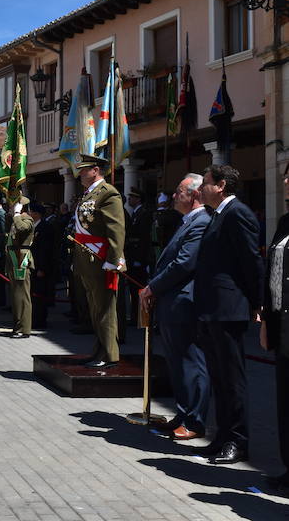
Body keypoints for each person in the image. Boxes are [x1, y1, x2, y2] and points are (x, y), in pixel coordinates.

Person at [192, 164, 263, 464]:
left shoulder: (238, 214)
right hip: (212, 310)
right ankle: (222, 436)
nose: (201, 189)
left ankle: (238, 440)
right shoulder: (218, 215)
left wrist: (259, 305)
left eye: (206, 183)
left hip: (228, 309)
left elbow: (251, 262)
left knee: (232, 379)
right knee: (219, 378)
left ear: (221, 186)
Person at [139, 173, 211, 441]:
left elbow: (184, 263)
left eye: (178, 191)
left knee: (191, 363)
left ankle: (195, 420)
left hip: (185, 301)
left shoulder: (201, 221)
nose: (172, 196)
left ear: (193, 195)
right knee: (177, 363)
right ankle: (183, 413)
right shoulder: (187, 221)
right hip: (172, 301)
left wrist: (152, 287)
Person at [72, 154, 126, 368]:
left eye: (84, 169)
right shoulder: (88, 194)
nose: (80, 174)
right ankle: (100, 348)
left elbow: (116, 229)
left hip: (101, 258)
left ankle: (109, 354)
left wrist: (113, 260)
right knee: (95, 308)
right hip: (87, 259)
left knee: (104, 308)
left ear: (95, 170)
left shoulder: (108, 193)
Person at [261, 161, 289, 491]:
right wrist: (265, 318)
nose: (286, 180)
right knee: (284, 401)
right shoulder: (283, 222)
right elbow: (270, 271)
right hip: (281, 324)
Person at [125, 188, 153, 335]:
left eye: (132, 197)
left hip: (139, 258)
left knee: (140, 289)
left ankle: (143, 319)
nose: (129, 200)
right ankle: (137, 318)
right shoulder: (136, 213)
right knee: (134, 291)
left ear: (138, 199)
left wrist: (139, 259)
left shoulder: (144, 214)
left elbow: (143, 239)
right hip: (133, 256)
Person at [7, 196, 34, 338]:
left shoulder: (27, 219)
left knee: (22, 295)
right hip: (14, 257)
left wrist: (17, 215)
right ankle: (17, 325)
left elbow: (21, 228)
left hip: (21, 258)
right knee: (16, 295)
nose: (11, 208)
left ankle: (24, 328)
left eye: (14, 206)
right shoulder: (17, 218)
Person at [29, 202, 55, 330]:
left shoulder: (45, 227)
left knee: (40, 296)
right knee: (33, 295)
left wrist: (42, 268)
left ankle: (40, 321)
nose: (29, 214)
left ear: (37, 214)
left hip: (40, 267)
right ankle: (34, 319)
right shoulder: (33, 226)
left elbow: (46, 250)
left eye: (31, 212)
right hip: (32, 266)